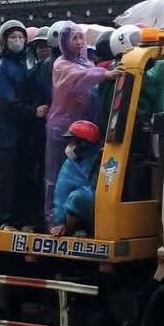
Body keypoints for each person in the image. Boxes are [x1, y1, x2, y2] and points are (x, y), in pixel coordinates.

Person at [44, 22, 122, 224]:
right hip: (62, 127)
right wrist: (104, 74)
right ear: (64, 43)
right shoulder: (61, 64)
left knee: (81, 174)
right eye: (74, 39)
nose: (79, 43)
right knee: (55, 175)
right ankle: (54, 218)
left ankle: (74, 217)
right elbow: (78, 78)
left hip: (84, 129)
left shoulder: (88, 63)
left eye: (81, 38)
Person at [0, 20, 48, 231]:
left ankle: (25, 219)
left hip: (24, 131)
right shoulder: (0, 67)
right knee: (6, 177)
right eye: (12, 37)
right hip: (7, 131)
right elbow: (6, 102)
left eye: (21, 37)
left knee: (24, 175)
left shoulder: (27, 64)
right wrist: (33, 112)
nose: (18, 41)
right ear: (4, 41)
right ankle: (6, 220)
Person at [50, 120, 101, 237]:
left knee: (78, 198)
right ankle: (74, 229)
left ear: (84, 143)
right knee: (75, 198)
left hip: (100, 213)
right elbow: (60, 195)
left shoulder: (100, 160)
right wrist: (60, 222)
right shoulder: (69, 164)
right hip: (74, 214)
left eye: (73, 142)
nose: (69, 146)